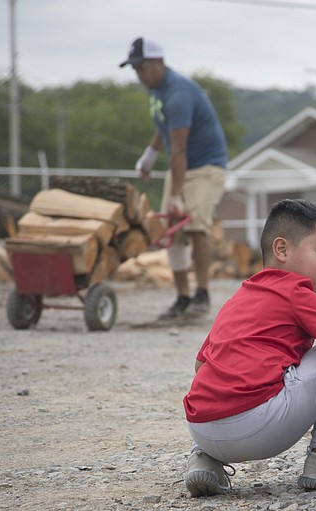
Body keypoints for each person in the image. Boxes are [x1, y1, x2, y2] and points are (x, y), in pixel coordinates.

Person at [181, 199, 316, 497]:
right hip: (259, 429)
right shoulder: (296, 291)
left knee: (218, 373)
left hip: (201, 428)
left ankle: (205, 459)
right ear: (282, 250)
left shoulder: (239, 298)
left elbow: (201, 366)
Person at [120, 37, 228, 320]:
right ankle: (182, 297)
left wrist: (178, 194)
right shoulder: (157, 90)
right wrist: (150, 154)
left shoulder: (178, 92)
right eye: (135, 68)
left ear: (158, 63)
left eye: (141, 67)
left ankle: (201, 294)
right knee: (173, 230)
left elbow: (179, 147)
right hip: (181, 166)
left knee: (194, 225)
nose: (138, 74)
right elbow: (164, 127)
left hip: (206, 167)